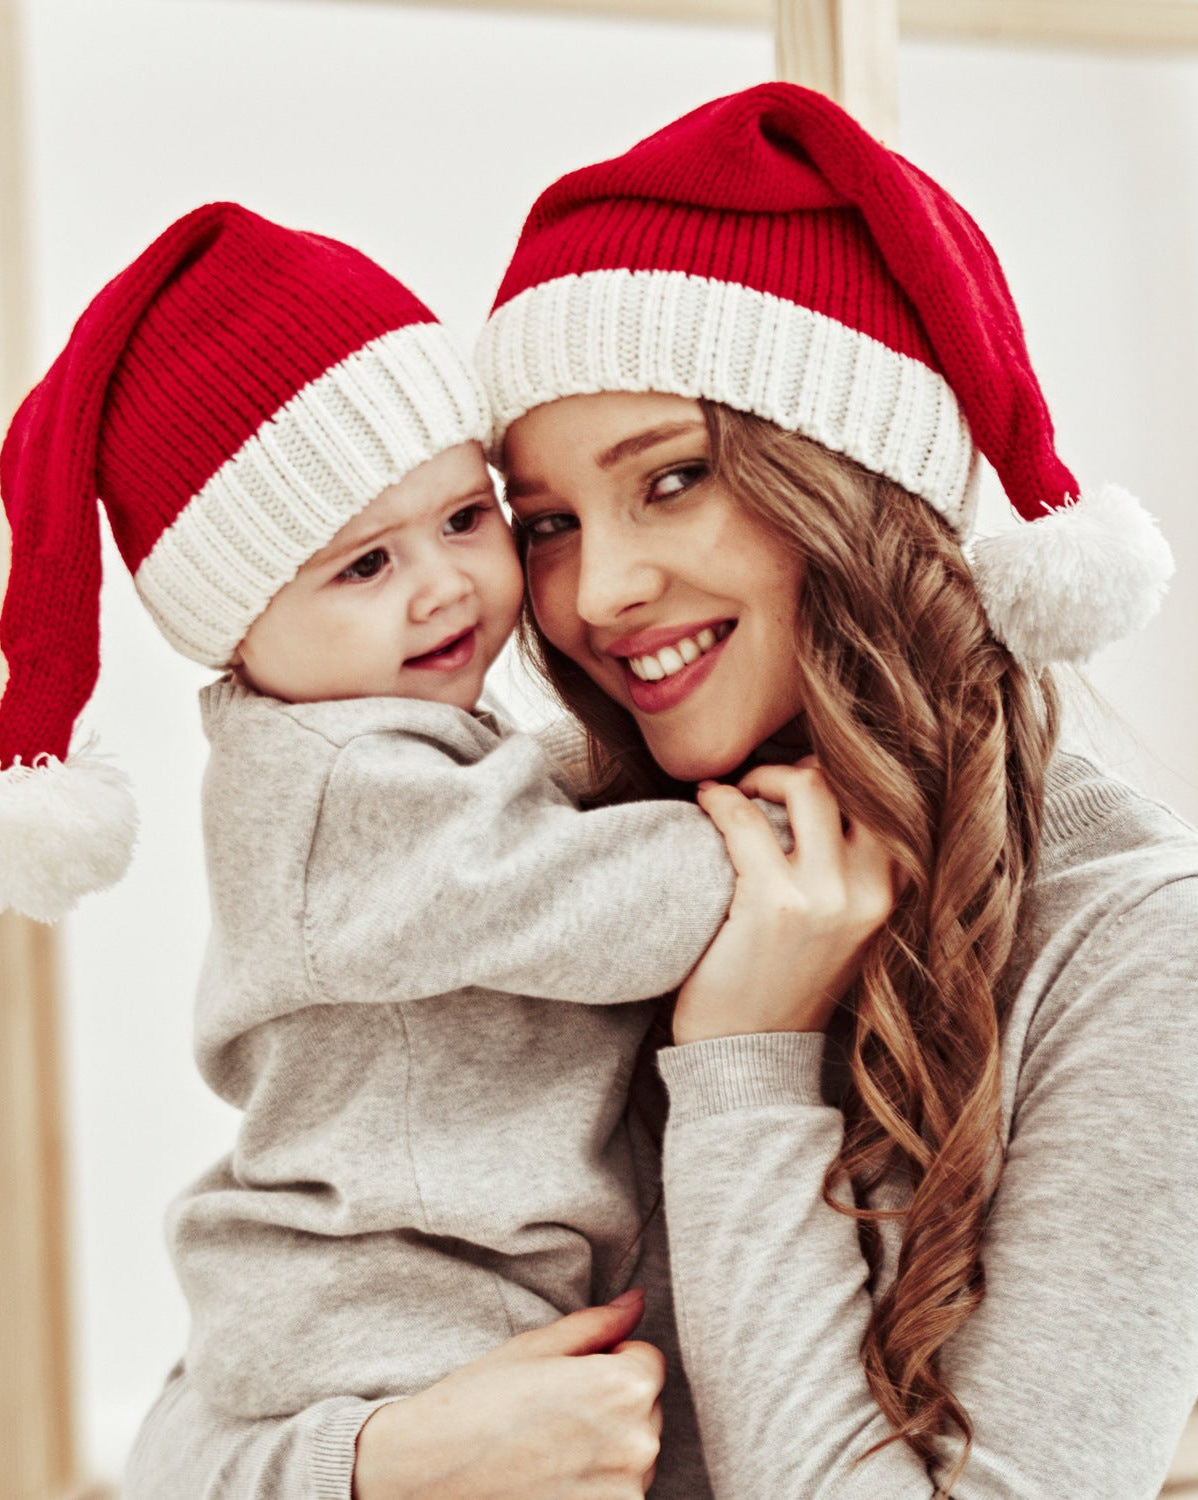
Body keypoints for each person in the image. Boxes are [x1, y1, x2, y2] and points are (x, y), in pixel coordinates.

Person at [125, 84, 1197, 1499]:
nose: (599, 592)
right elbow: (191, 1428)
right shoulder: (561, 846)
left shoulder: (1131, 947)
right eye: (547, 523)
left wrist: (747, 1061)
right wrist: (381, 1462)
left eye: (675, 479)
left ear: (850, 477)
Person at [0, 202, 805, 1495]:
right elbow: (566, 900)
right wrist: (766, 841)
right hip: (399, 1301)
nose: (441, 585)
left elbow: (515, 829)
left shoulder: (383, 746)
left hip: (427, 1277)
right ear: (239, 628)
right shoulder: (336, 786)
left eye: (466, 519)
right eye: (365, 566)